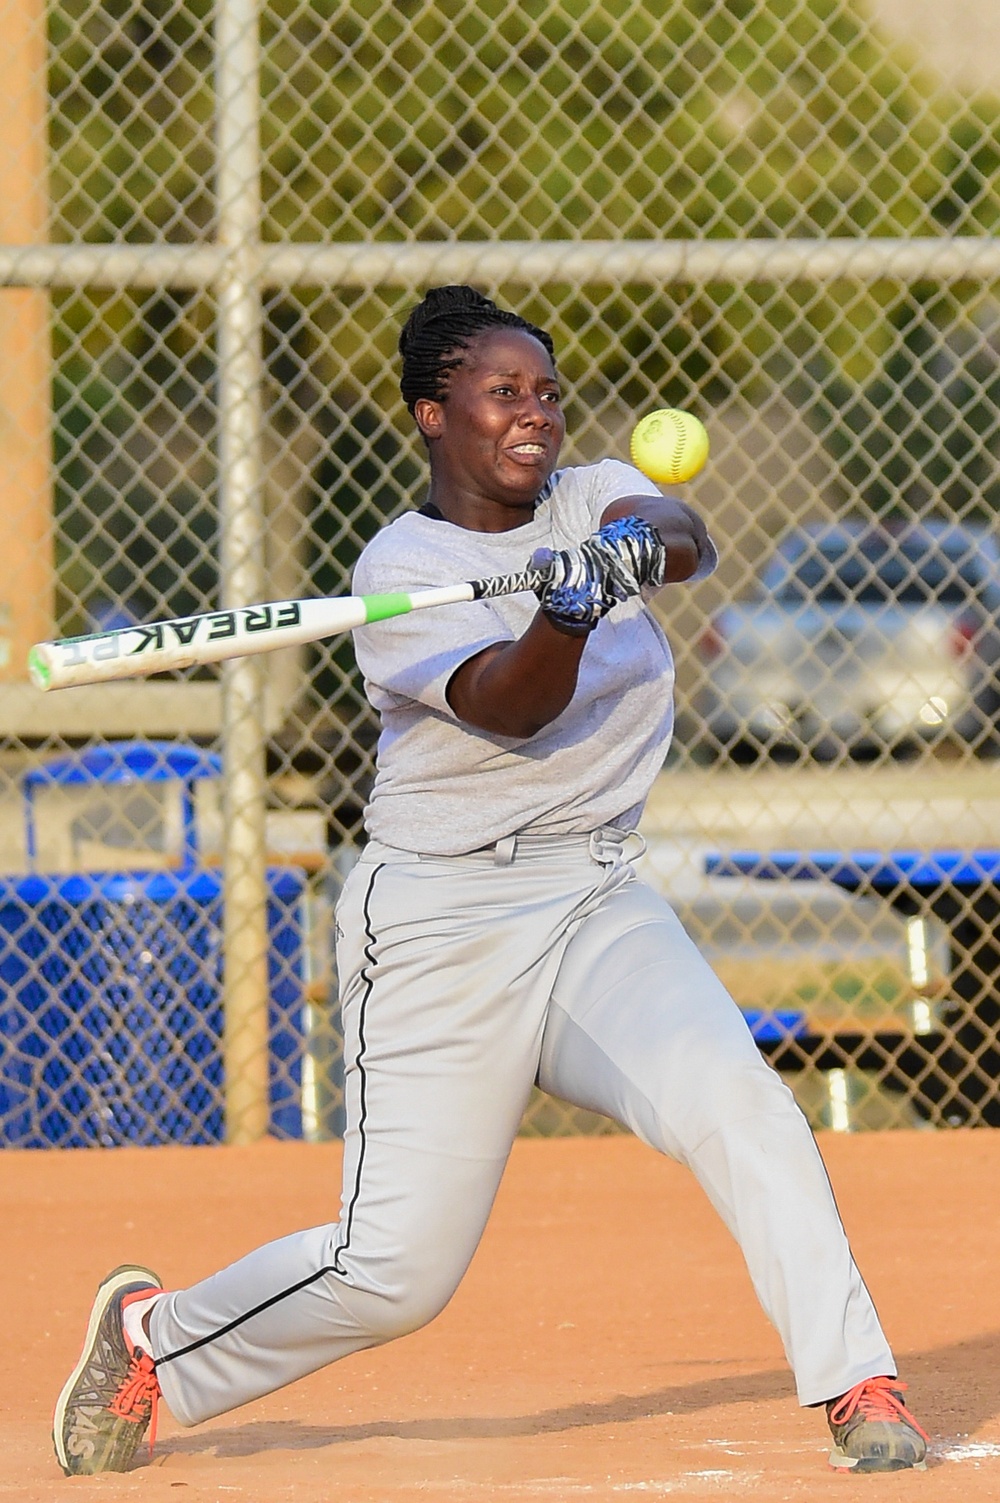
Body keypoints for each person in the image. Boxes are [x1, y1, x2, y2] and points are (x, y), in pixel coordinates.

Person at [53, 284, 928, 1478]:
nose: (535, 415)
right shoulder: (402, 569)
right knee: (395, 1274)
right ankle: (159, 1340)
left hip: (595, 899)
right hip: (438, 921)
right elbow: (511, 708)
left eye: (547, 393)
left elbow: (684, 536)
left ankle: (857, 1383)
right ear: (432, 412)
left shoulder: (587, 493)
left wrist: (623, 551)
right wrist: (560, 619)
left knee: (742, 1107)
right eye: (501, 394)